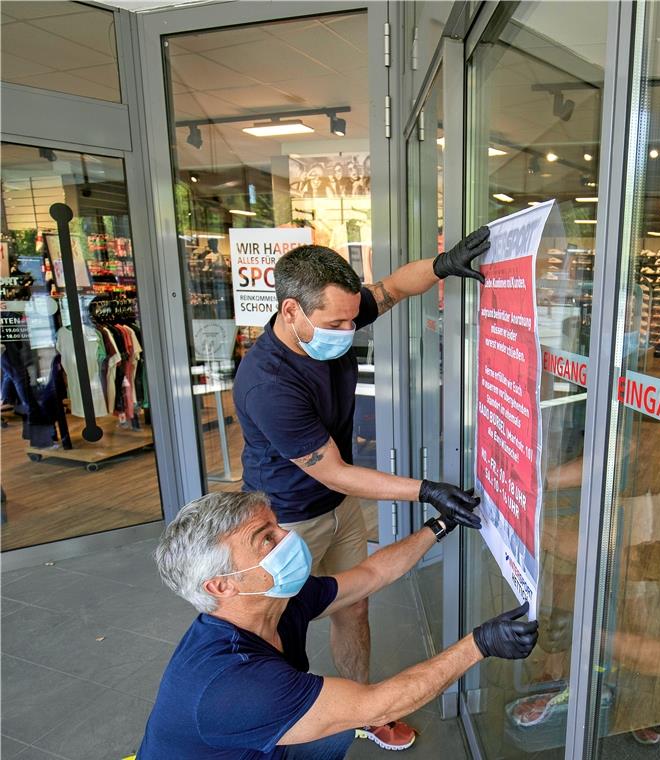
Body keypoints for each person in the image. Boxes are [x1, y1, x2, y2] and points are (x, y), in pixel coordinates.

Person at [232, 228, 490, 749]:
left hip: (337, 505)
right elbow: (332, 469)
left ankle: (363, 712)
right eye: (336, 323)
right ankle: (279, 727)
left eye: (353, 318)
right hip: (283, 519)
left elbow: (394, 287)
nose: (349, 330)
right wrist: (426, 491)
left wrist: (442, 265)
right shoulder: (267, 383)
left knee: (355, 603)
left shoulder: (334, 313)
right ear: (290, 312)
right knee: (275, 625)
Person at [137, 491, 537, 759]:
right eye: (266, 539)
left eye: (276, 525)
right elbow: (381, 704)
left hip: (251, 741)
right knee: (338, 723)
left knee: (335, 729)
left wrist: (440, 525)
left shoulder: (274, 602)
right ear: (222, 584)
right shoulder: (232, 683)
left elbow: (370, 575)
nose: (288, 537)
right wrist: (480, 644)